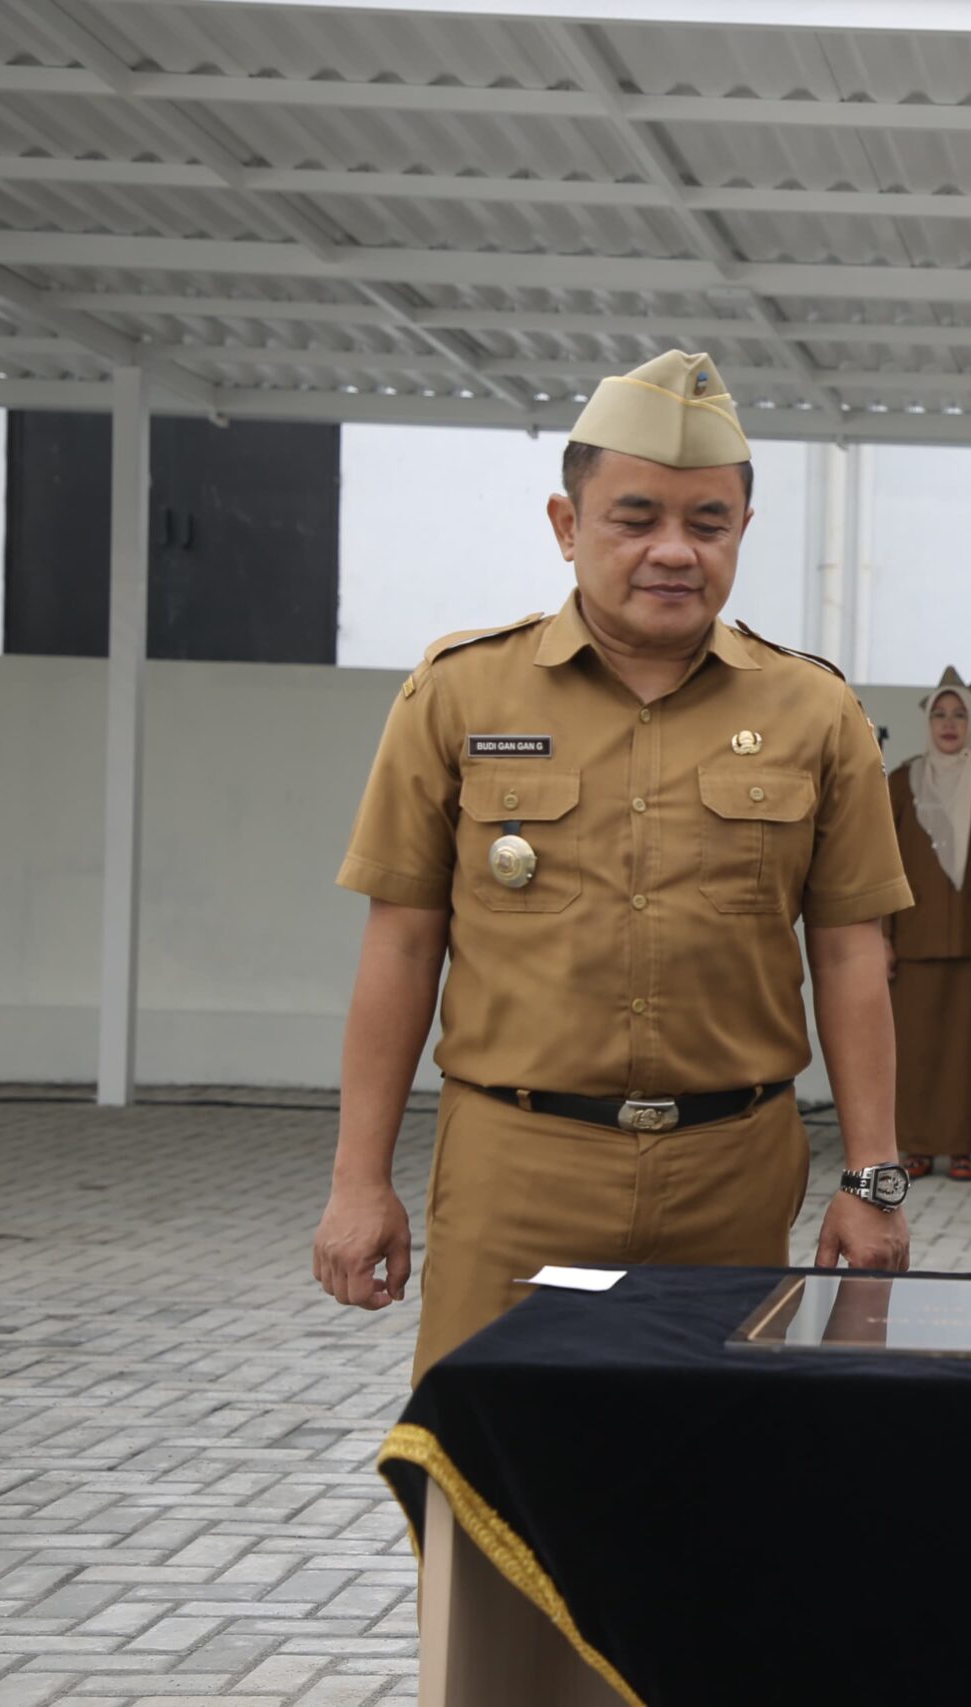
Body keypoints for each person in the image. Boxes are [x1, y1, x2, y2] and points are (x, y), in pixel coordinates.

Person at [310, 350, 915, 1384]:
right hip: (519, 1165)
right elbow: (404, 944)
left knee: (708, 1492)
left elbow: (854, 957)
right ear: (566, 525)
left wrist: (875, 1180)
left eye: (707, 524)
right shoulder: (459, 696)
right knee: (496, 1468)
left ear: (741, 534)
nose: (673, 552)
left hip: (733, 1172)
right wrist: (357, 1181)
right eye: (635, 519)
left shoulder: (813, 712)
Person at [885, 668, 971, 1180]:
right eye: (940, 714)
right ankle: (916, 1147)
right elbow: (881, 863)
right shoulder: (901, 781)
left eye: (960, 714)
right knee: (915, 1049)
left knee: (968, 1051)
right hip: (912, 938)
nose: (949, 724)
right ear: (927, 721)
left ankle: (963, 1147)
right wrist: (882, 937)